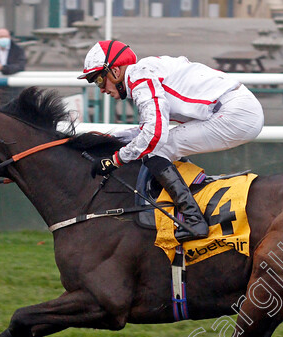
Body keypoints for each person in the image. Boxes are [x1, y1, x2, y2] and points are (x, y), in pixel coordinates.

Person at [78, 40, 265, 242]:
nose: (102, 90)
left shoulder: (140, 77)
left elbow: (153, 135)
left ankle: (194, 220)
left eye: (98, 81)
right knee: (157, 146)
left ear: (115, 71)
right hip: (236, 109)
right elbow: (149, 128)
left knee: (155, 150)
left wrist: (115, 160)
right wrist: (111, 139)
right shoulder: (144, 72)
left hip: (236, 113)